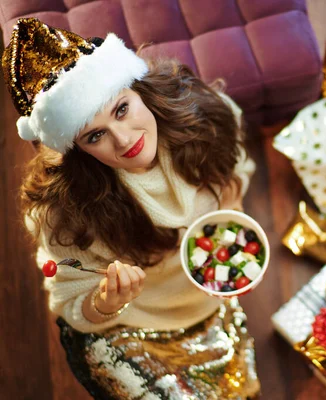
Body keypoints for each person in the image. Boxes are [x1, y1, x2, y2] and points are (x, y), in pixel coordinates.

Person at [4, 18, 259, 399]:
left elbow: (237, 167)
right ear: (76, 148)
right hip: (129, 323)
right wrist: (106, 302)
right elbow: (70, 301)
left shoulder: (208, 116)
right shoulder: (62, 211)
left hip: (206, 293)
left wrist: (231, 213)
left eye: (121, 110)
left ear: (137, 89)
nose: (124, 141)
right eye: (95, 135)